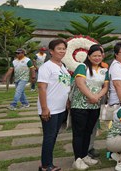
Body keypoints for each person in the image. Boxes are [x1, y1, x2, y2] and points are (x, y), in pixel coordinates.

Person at [70, 44, 109, 170]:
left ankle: (84, 155)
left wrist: (97, 97)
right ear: (89, 56)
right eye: (94, 55)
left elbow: (105, 87)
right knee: (78, 133)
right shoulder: (82, 67)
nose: (97, 58)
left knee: (88, 131)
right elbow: (80, 84)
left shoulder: (104, 70)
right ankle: (77, 159)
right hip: (80, 106)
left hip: (95, 106)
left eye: (99, 55)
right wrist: (91, 96)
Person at [37, 39, 71, 171]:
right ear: (51, 51)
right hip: (49, 108)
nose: (62, 51)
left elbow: (64, 86)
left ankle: (47, 163)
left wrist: (67, 101)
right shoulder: (47, 67)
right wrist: (44, 108)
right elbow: (42, 88)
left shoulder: (62, 66)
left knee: (53, 136)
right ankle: (46, 166)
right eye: (59, 48)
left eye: (64, 48)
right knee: (49, 137)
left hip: (60, 108)